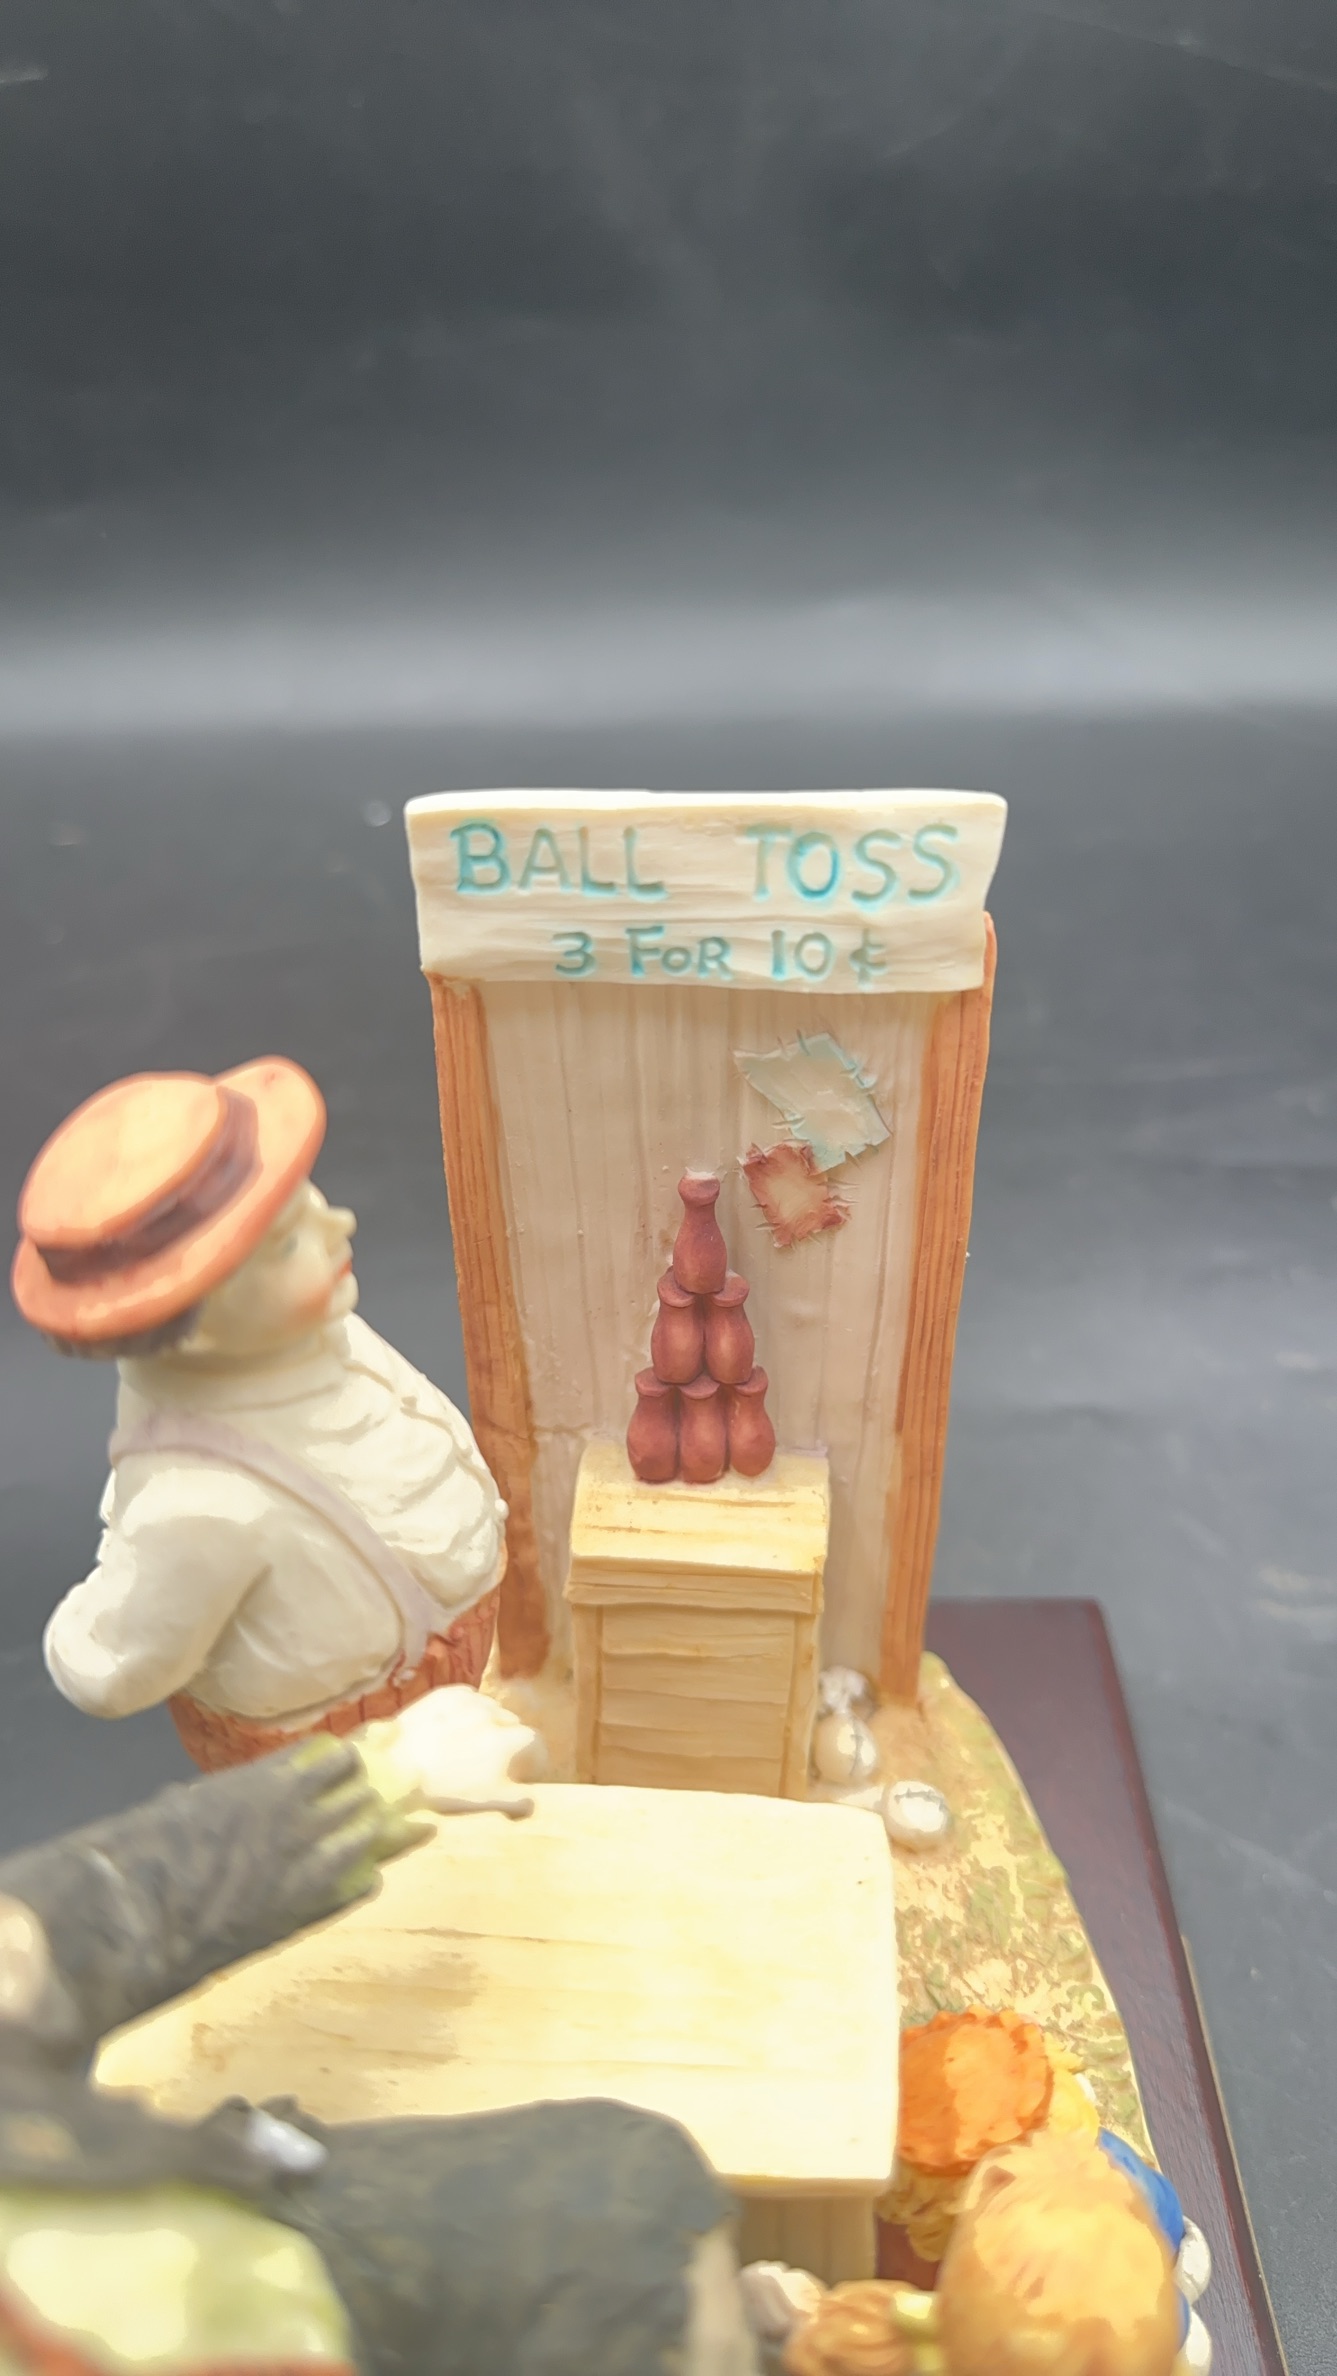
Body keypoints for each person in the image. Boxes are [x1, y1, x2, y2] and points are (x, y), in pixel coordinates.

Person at [0, 1685, 760, 2375]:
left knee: (630, 2201)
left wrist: (387, 1776)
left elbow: (96, 1908)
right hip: (262, 2311)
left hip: (247, 2222)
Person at [11, 1058, 509, 1768]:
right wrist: (78, 1634)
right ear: (195, 1326)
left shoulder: (314, 1331)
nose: (339, 1225)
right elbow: (112, 1669)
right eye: (287, 1243)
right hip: (341, 1749)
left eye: (310, 1201)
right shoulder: (198, 1501)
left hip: (473, 1678)